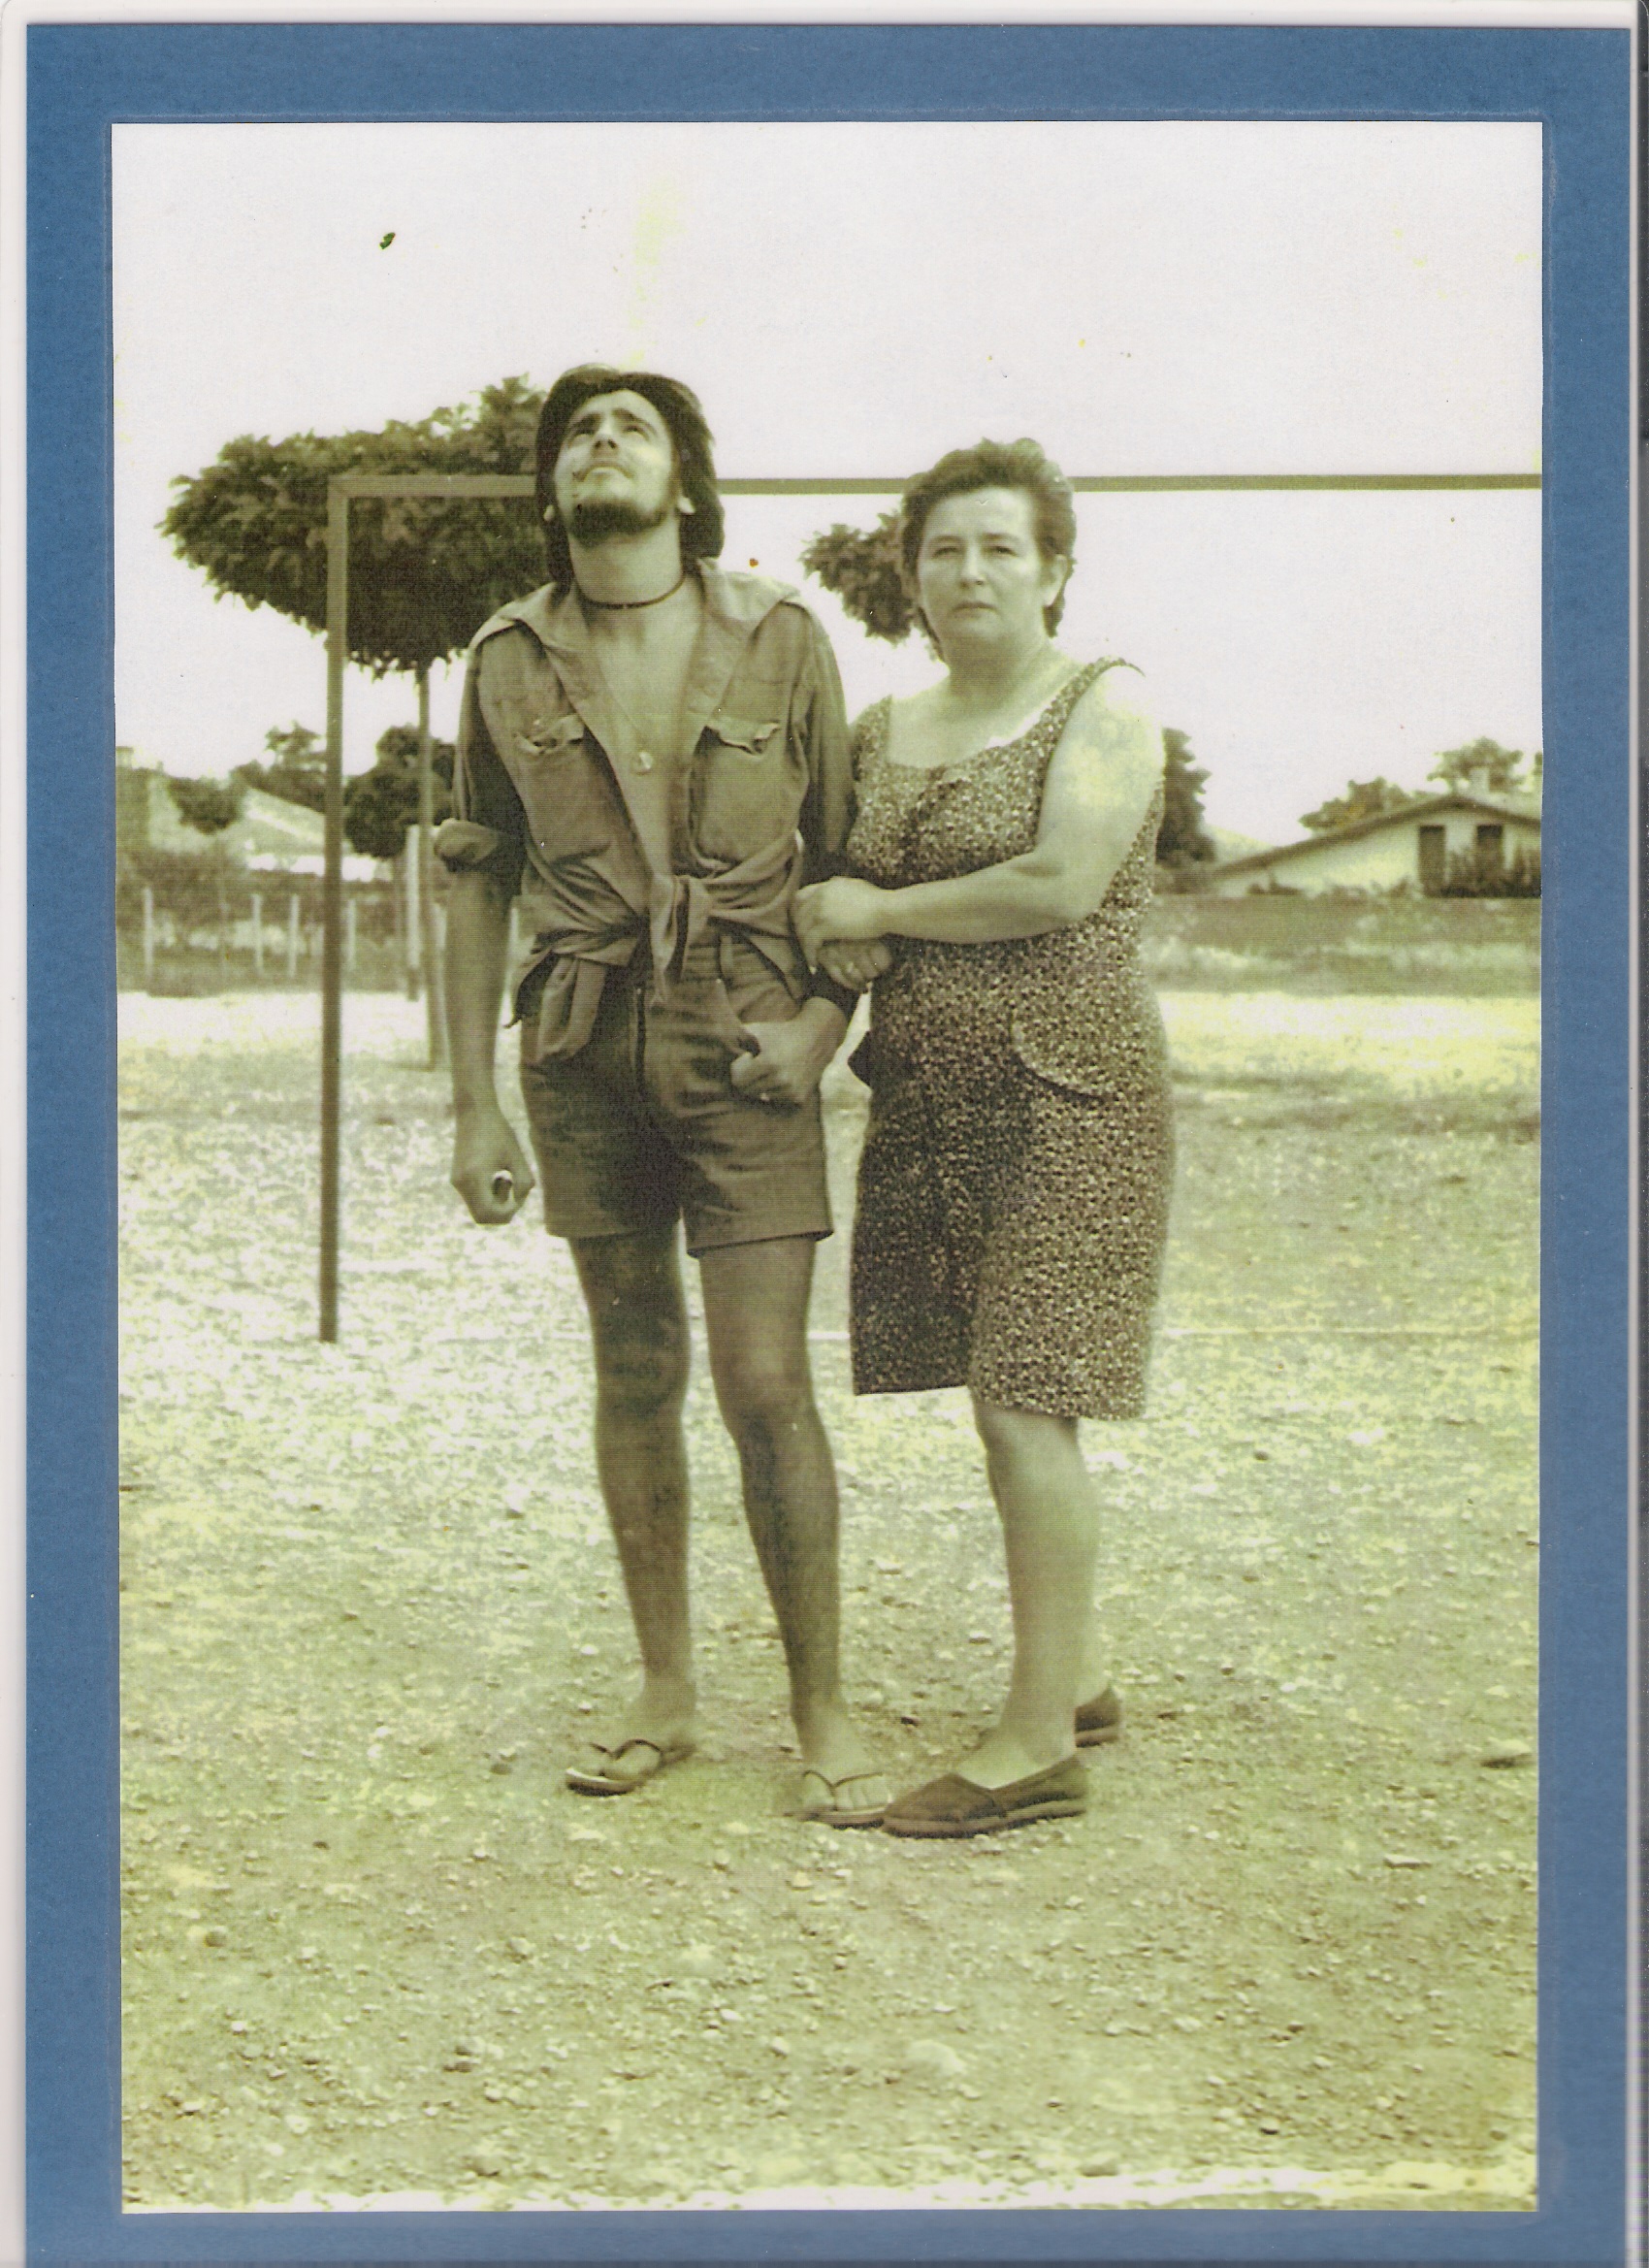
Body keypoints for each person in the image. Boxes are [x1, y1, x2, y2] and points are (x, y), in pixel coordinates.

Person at [437, 365, 887, 1827]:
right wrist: (474, 1104)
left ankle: (822, 1712)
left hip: (746, 1041)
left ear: (684, 484)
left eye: (632, 428)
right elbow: (476, 880)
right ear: (553, 487)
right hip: (579, 1045)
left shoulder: (781, 636)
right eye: (578, 432)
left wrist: (821, 1026)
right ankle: (667, 1691)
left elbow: (846, 866)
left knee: (764, 1381)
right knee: (633, 1370)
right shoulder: (506, 657)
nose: (600, 443)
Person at [795, 437, 1172, 1838]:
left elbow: (1059, 881)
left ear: (1054, 571)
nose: (970, 572)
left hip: (1073, 1094)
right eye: (943, 550)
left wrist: (880, 915)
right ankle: (1077, 1675)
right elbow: (835, 901)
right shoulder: (882, 728)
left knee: (1027, 1394)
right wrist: (824, 977)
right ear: (911, 576)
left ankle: (1034, 1744)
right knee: (999, 1391)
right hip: (932, 1100)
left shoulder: (1105, 700)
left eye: (1001, 547)